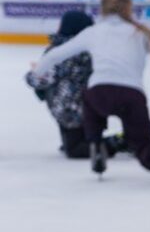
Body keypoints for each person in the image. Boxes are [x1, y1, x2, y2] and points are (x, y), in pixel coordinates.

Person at [29, 0, 150, 186]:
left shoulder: (92, 32)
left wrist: (37, 72)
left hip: (99, 92)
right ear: (128, 8)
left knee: (89, 106)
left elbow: (55, 55)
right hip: (131, 95)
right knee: (143, 144)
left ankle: (96, 144)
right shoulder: (140, 32)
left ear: (103, 10)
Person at [24, 10, 123, 160]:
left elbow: (37, 80)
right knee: (77, 140)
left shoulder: (59, 53)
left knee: (76, 149)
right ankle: (89, 138)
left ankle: (119, 142)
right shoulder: (92, 50)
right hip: (92, 108)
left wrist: (34, 72)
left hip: (70, 112)